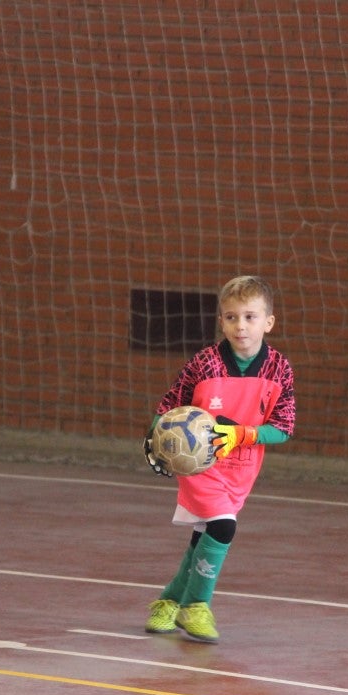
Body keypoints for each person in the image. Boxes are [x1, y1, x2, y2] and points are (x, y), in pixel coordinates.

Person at [141, 275, 296, 643]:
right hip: (201, 465)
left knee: (203, 539)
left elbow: (284, 428)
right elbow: (167, 407)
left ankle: (167, 602)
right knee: (223, 527)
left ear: (268, 322)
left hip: (242, 470)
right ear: (221, 321)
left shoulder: (279, 369)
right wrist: (154, 438)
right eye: (230, 317)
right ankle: (197, 605)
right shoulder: (204, 363)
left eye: (250, 317)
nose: (240, 326)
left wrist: (244, 434)